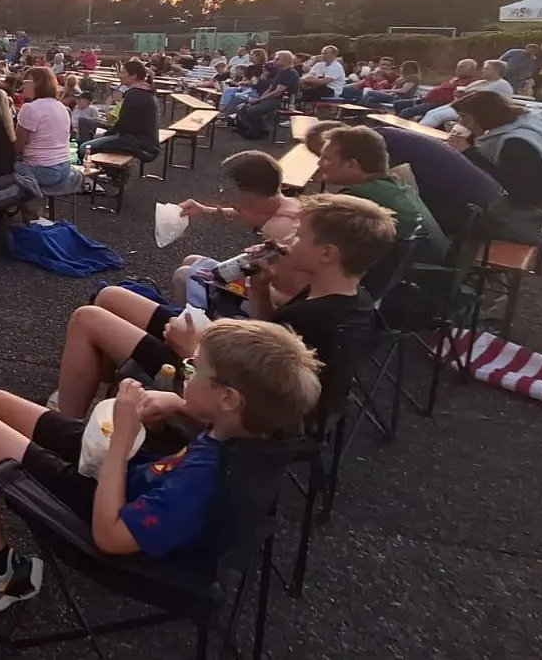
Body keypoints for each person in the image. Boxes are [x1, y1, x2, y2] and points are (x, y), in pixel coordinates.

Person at [0, 320, 323, 610]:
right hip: (130, 477)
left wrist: (121, 436)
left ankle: (1, 575)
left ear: (229, 399)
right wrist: (177, 405)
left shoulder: (200, 484)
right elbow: (212, 433)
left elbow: (110, 537)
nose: (186, 374)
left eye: (196, 369)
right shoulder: (251, 437)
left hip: (100, 507)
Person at [52, 192, 392, 418]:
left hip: (213, 385)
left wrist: (191, 350)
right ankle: (99, 396)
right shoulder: (349, 298)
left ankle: (69, 424)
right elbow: (269, 335)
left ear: (328, 254)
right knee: (111, 296)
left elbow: (248, 389)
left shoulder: (314, 318)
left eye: (300, 235)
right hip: (233, 356)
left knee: (88, 318)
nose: (289, 240)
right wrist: (260, 285)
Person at [304, 120, 497, 239]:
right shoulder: (380, 138)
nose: (319, 163)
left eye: (325, 155)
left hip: (476, 211)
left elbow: (403, 206)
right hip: (480, 199)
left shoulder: (383, 156)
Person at [172, 151, 304, 307]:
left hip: (276, 313)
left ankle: (192, 326)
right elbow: (247, 213)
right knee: (192, 260)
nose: (227, 197)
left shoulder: (278, 231)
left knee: (183, 275)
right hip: (268, 289)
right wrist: (205, 210)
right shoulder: (289, 205)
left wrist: (232, 283)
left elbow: (289, 298)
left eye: (230, 191)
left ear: (251, 197)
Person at [314, 125, 447, 254]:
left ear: (351, 164)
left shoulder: (359, 197)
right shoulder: (394, 183)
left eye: (326, 159)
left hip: (413, 274)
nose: (319, 163)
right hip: (427, 267)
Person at [449, 89, 542, 216]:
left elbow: (511, 186)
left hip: (521, 209)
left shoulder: (516, 144)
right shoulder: (508, 128)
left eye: (464, 117)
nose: (460, 122)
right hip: (518, 199)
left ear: (483, 116)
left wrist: (468, 152)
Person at [16, 68, 78, 213]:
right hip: (64, 166)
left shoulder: (30, 108)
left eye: (26, 82)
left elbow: (17, 147)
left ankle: (31, 215)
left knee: (0, 170)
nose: (22, 86)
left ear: (37, 84)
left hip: (43, 170)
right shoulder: (61, 107)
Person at [82, 59, 159, 164]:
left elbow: (124, 125)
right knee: (89, 129)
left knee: (84, 148)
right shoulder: (146, 90)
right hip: (144, 141)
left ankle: (94, 172)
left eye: (123, 72)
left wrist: (106, 134)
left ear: (133, 76)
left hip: (137, 143)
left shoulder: (135, 94)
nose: (119, 75)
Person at [420, 59, 513, 129]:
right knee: (431, 112)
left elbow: (480, 98)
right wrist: (458, 95)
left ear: (496, 71)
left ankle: (420, 136)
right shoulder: (481, 82)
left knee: (437, 116)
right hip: (462, 106)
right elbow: (467, 93)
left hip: (475, 111)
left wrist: (463, 96)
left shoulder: (501, 84)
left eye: (486, 68)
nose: (482, 70)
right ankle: (420, 133)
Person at [234, 50, 301, 139]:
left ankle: (258, 132)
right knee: (241, 107)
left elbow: (278, 92)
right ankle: (251, 129)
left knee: (253, 110)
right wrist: (260, 99)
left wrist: (260, 100)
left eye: (277, 59)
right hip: (272, 99)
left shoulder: (289, 73)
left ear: (286, 61)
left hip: (283, 101)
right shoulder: (281, 72)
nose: (274, 61)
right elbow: (270, 89)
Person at [396, 58, 477, 120]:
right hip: (426, 100)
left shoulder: (472, 83)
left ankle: (396, 131)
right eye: (458, 67)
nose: (458, 69)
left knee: (406, 112)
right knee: (399, 104)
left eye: (462, 67)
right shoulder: (454, 79)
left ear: (472, 70)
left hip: (438, 104)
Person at [218, 48, 267, 114]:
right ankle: (222, 110)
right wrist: (245, 83)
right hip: (244, 88)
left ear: (259, 57)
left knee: (236, 97)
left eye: (252, 55)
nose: (249, 56)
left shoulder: (263, 68)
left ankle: (226, 113)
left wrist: (246, 83)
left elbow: (255, 83)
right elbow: (244, 80)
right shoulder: (250, 68)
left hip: (255, 90)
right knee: (228, 91)